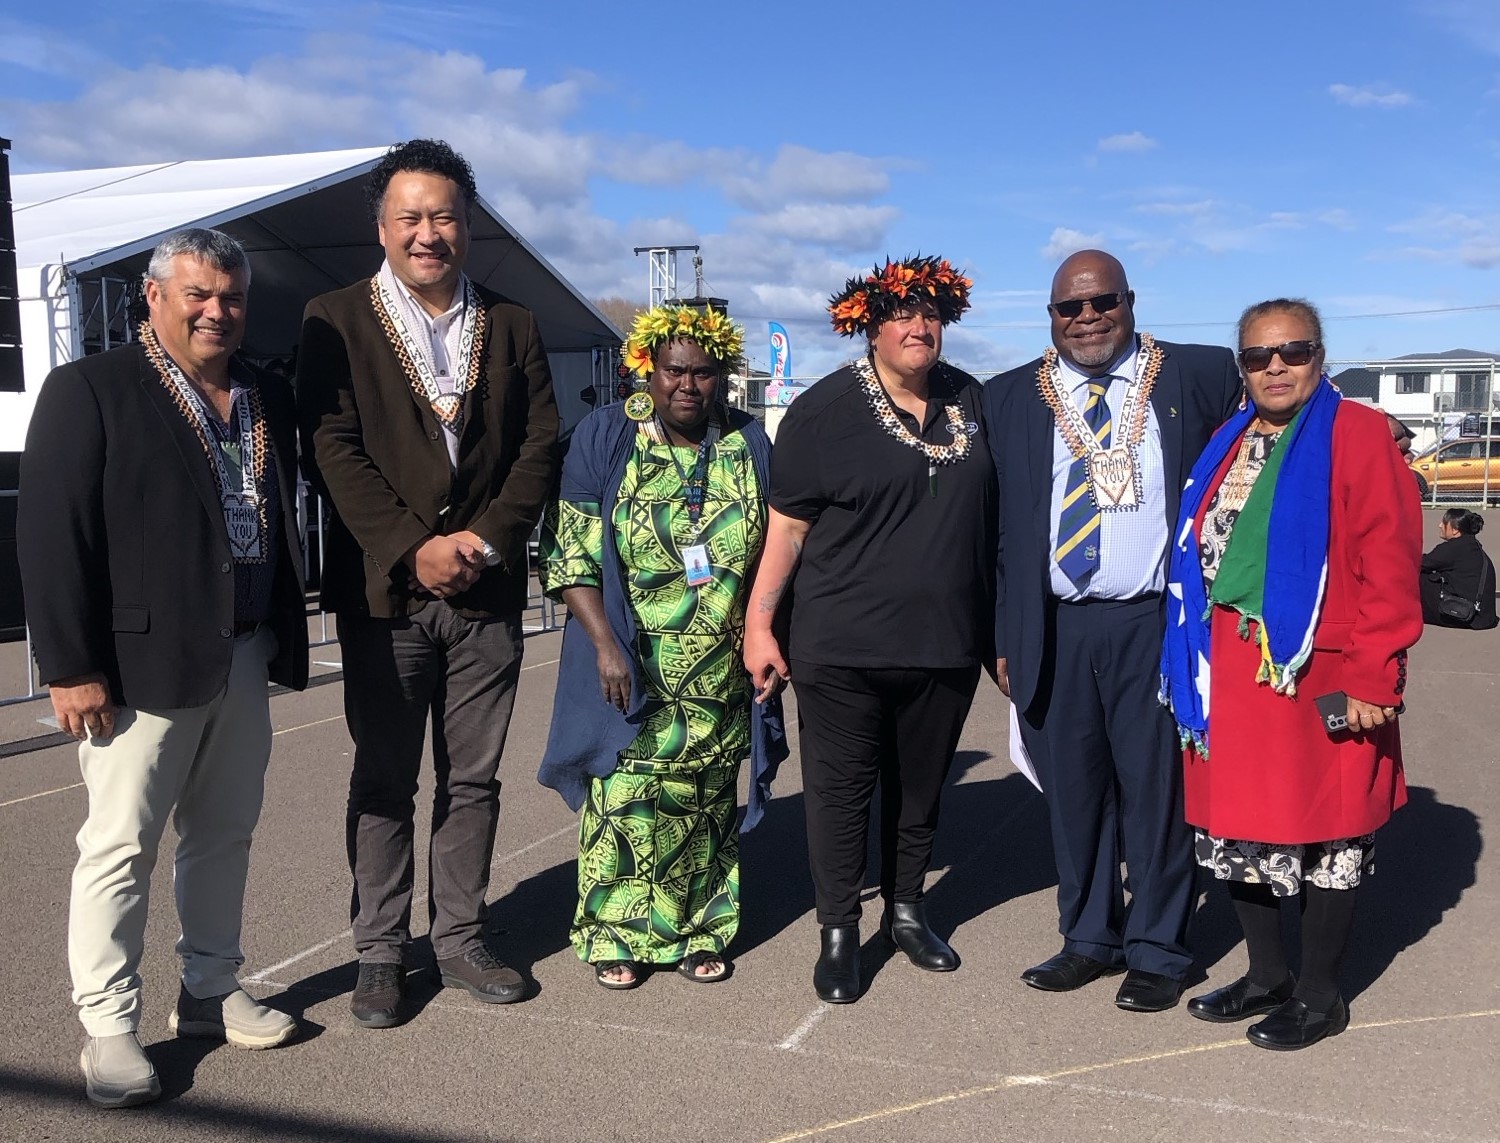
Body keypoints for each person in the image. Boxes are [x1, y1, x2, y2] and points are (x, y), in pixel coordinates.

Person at [17, 228, 309, 1108]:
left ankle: (211, 990)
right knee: (119, 847)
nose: (217, 311)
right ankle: (108, 1025)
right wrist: (71, 665)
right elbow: (50, 534)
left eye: (232, 297)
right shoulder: (91, 389)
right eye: (198, 294)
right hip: (138, 665)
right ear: (154, 297)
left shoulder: (263, 393)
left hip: (244, 650)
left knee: (226, 833)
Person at [298, 139, 560, 1028]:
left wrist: (484, 539)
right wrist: (414, 548)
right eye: (409, 217)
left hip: (486, 591)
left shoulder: (514, 323)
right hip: (384, 593)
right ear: (381, 226)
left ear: (468, 225)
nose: (426, 232)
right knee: (382, 775)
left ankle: (459, 937)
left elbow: (540, 447)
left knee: (474, 780)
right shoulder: (334, 317)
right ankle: (380, 951)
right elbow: (330, 445)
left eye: (442, 215)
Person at [983, 249, 1240, 1013]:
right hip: (1056, 623)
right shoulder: (1010, 398)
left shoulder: (1197, 373)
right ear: (1051, 315)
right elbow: (996, 532)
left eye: (1103, 303)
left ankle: (1159, 947)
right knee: (1074, 792)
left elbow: (1283, 406)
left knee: (1154, 790)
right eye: (1071, 307)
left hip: (1149, 620)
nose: (1088, 318)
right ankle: (1089, 936)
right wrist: (1002, 632)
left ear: (1130, 301)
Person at [1162, 298, 1422, 1050]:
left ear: (1320, 354)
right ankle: (1266, 973)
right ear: (1241, 366)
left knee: (1325, 836)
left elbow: (1391, 562)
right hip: (1228, 680)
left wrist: (1377, 674)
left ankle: (1320, 993)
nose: (1275, 366)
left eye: (1293, 350)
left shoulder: (1360, 434)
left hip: (1316, 675)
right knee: (1237, 832)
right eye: (1257, 355)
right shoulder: (1229, 436)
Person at [744, 255, 995, 1003]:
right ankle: (839, 931)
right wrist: (760, 627)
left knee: (919, 790)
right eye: (900, 313)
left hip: (944, 642)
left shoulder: (970, 400)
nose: (919, 326)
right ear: (868, 325)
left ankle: (908, 910)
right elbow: (785, 530)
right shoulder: (824, 411)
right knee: (838, 792)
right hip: (841, 644)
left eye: (931, 314)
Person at [538, 305, 785, 989]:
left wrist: (763, 626)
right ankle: (616, 931)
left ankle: (696, 929)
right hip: (630, 660)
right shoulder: (608, 434)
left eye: (705, 373)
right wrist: (605, 645)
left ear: (723, 377)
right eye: (676, 369)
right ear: (650, 367)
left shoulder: (747, 442)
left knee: (705, 803)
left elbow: (777, 544)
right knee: (625, 801)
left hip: (719, 668)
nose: (689, 385)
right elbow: (572, 552)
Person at [1420, 508, 1498, 629]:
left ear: (1455, 530)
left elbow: (1421, 563)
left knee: (1417, 576)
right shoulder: (1472, 546)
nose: (1440, 525)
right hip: (1482, 616)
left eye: (1444, 523)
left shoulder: (1454, 548)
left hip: (1465, 615)